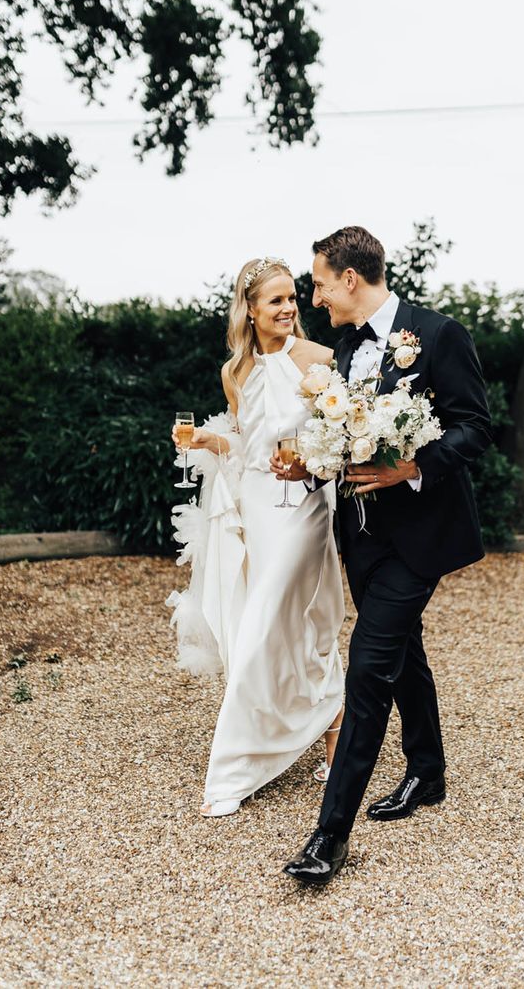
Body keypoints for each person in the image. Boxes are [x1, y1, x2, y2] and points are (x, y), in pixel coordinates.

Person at [274, 226, 492, 883]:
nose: (314, 297)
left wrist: (413, 468)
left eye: (317, 282)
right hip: (360, 536)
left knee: (368, 671)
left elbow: (475, 427)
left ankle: (328, 838)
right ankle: (427, 769)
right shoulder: (344, 348)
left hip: (419, 538)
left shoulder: (438, 334)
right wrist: (311, 468)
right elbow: (345, 439)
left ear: (349, 278)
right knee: (403, 655)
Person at [168, 257, 345, 818]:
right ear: (249, 309)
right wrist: (206, 442)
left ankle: (235, 766)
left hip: (306, 509)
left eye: (292, 297)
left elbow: (337, 440)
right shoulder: (235, 372)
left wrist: (312, 465)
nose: (289, 308)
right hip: (259, 509)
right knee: (278, 622)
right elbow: (245, 448)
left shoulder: (320, 362)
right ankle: (327, 747)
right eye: (275, 300)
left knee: (285, 619)